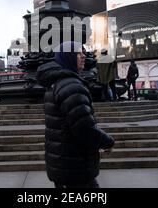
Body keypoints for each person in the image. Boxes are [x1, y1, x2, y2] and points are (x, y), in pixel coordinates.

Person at [36, 41, 115, 188]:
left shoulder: (55, 83)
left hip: (64, 162)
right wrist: (107, 141)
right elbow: (84, 127)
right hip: (75, 165)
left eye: (83, 52)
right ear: (69, 57)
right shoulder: (71, 86)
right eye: (79, 53)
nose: (84, 56)